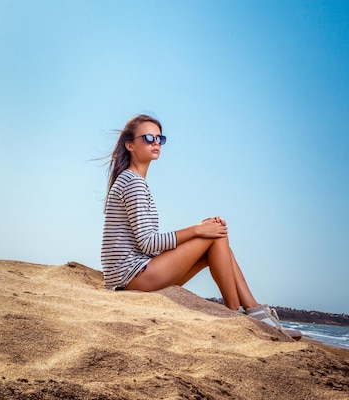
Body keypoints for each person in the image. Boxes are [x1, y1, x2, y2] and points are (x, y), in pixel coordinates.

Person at [101, 114, 301, 339]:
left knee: (215, 237)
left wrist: (201, 229)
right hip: (132, 278)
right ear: (130, 145)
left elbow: (147, 246)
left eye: (160, 138)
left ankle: (251, 311)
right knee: (214, 234)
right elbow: (148, 243)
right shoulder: (133, 182)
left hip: (135, 274)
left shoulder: (134, 181)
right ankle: (239, 314)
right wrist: (197, 230)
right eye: (148, 138)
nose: (156, 143)